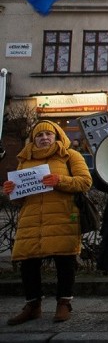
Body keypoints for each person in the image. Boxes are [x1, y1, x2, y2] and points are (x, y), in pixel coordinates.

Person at [2, 120, 93, 325]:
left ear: (57, 136)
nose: (44, 138)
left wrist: (59, 180)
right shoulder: (24, 160)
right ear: (33, 139)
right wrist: (10, 191)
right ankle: (33, 305)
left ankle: (64, 303)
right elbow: (19, 199)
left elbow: (85, 182)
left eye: (48, 135)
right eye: (39, 136)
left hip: (62, 215)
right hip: (31, 219)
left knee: (65, 261)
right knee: (28, 262)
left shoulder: (71, 155)